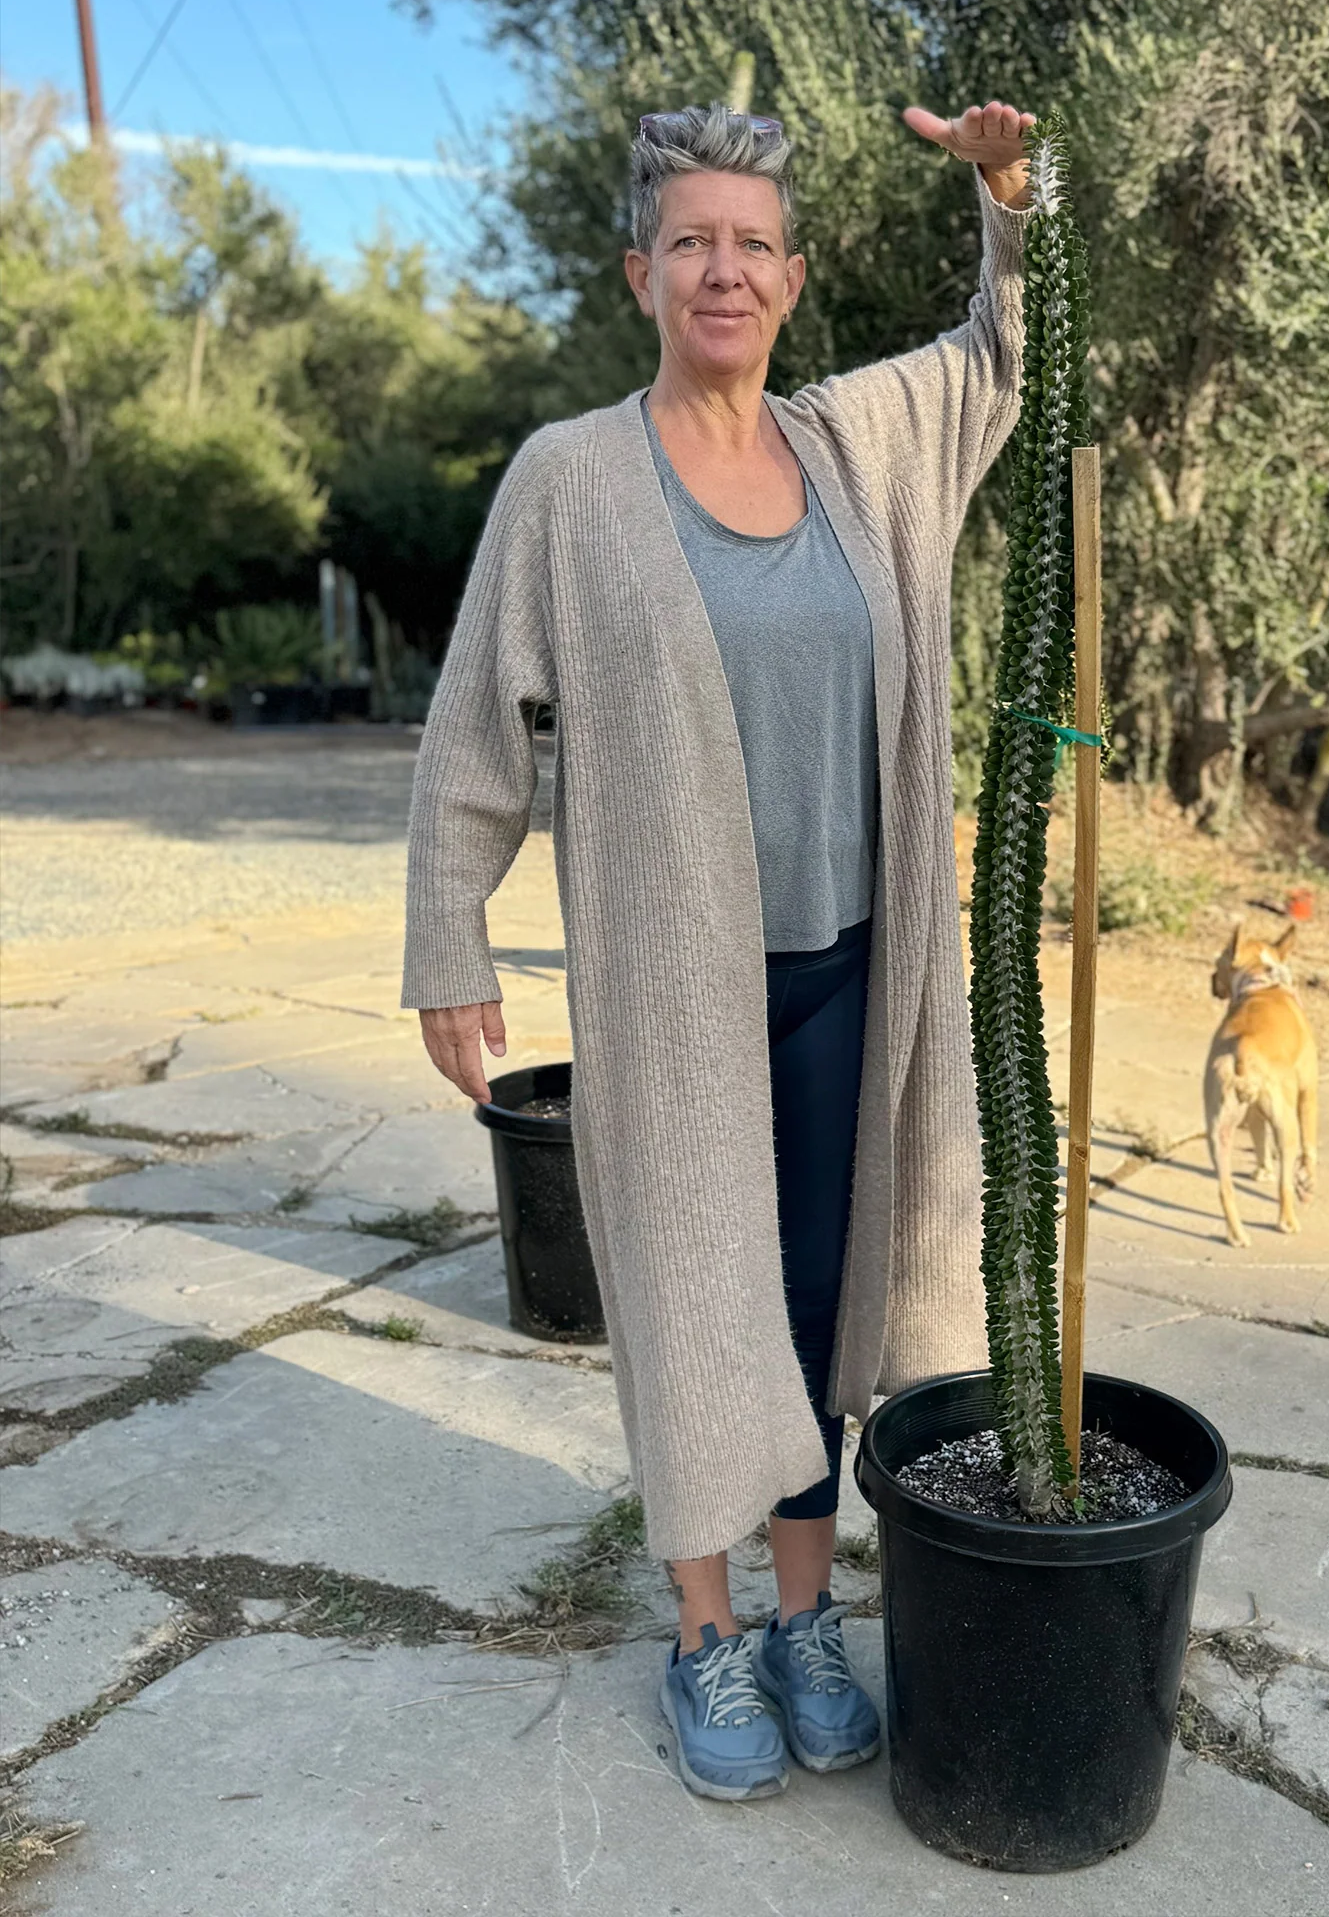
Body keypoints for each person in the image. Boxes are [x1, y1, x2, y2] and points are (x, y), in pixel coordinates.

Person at [402, 97, 1034, 1800]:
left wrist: (1003, 192)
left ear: (794, 275)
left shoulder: (852, 447)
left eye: (753, 242)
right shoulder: (571, 480)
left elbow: (996, 356)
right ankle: (703, 1637)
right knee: (695, 1301)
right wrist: (448, 933)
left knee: (819, 1301)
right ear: (641, 272)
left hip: (845, 964)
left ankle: (806, 1614)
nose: (725, 269)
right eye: (693, 240)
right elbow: (478, 729)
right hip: (672, 993)